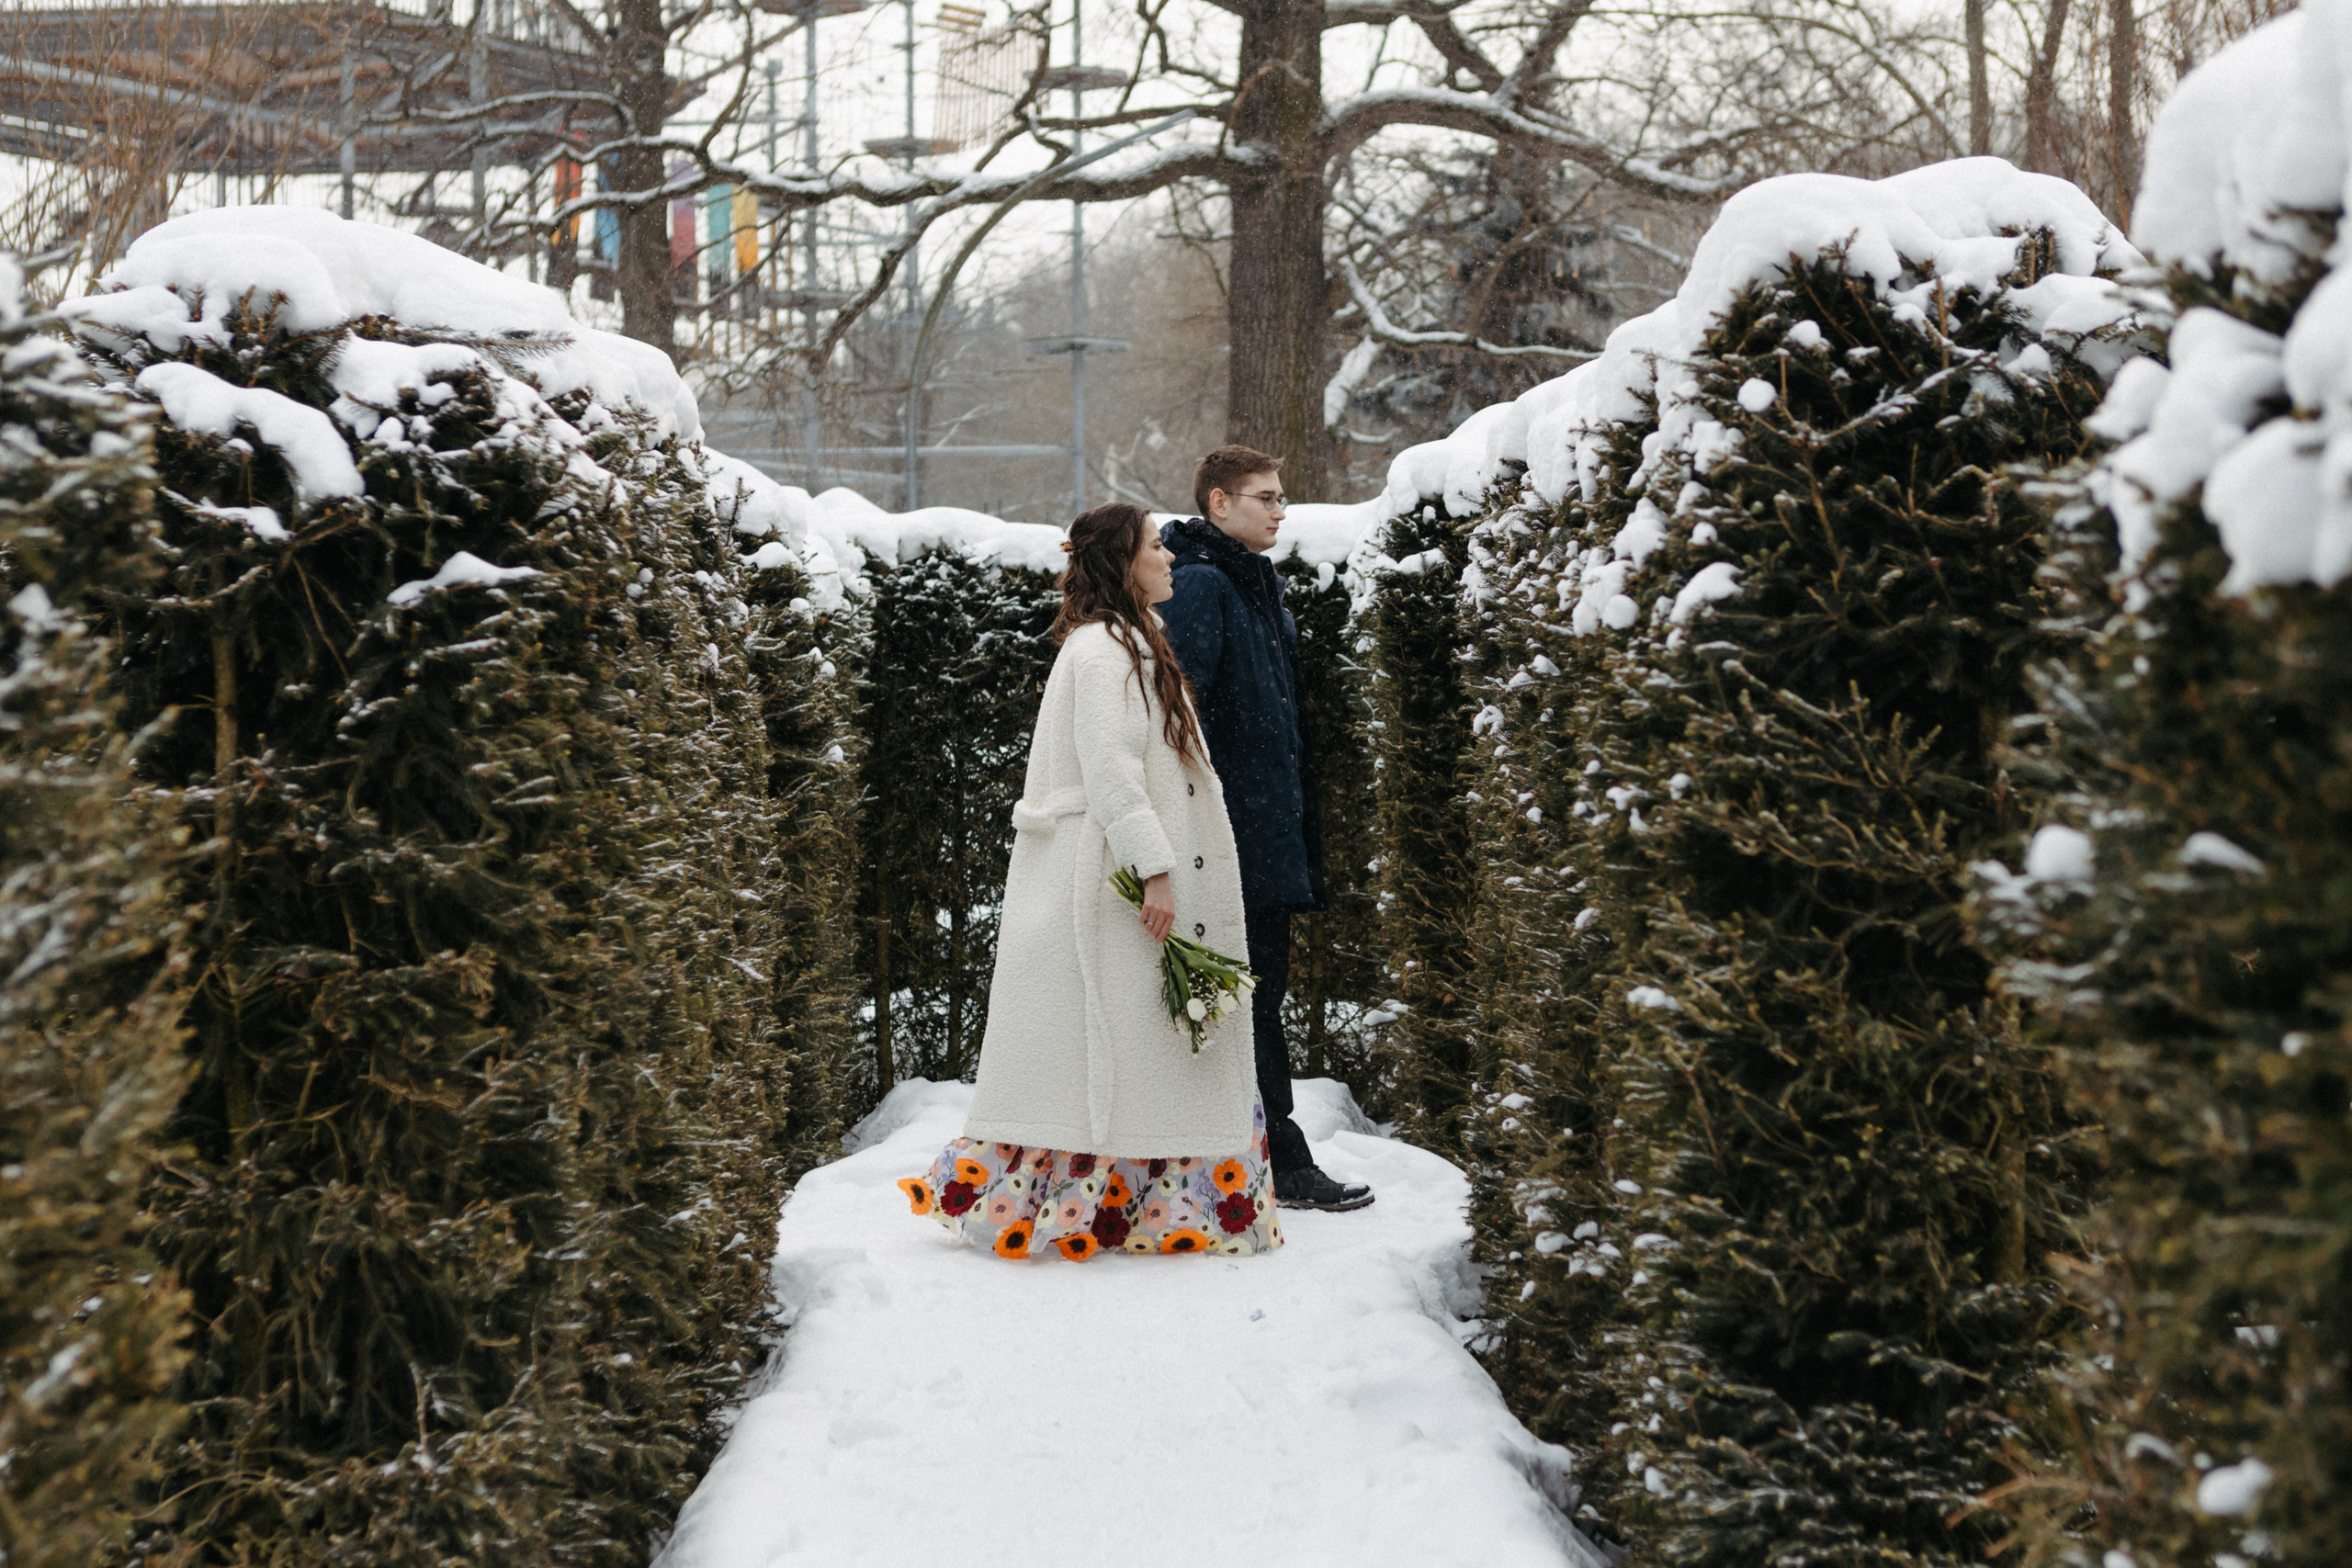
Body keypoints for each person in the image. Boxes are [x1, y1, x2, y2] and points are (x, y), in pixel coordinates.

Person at [899, 502, 1282, 1260]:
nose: (1171, 558)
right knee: (1125, 1054)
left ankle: (1138, 1209)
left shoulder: (1129, 640)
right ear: (1122, 561)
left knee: (1142, 1053)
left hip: (1111, 871)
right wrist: (1156, 870)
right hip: (1110, 877)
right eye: (1154, 547)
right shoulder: (1107, 650)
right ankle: (1105, 1211)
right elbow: (1112, 770)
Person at [1158, 446, 1374, 1213]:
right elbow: (1175, 717)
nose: (1281, 509)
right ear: (1219, 504)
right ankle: (1278, 1160)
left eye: (1283, 496)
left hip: (1265, 831)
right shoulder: (1205, 586)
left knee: (1257, 994)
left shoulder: (1257, 587)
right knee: (1250, 997)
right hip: (1228, 840)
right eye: (1264, 497)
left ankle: (1243, 1156)